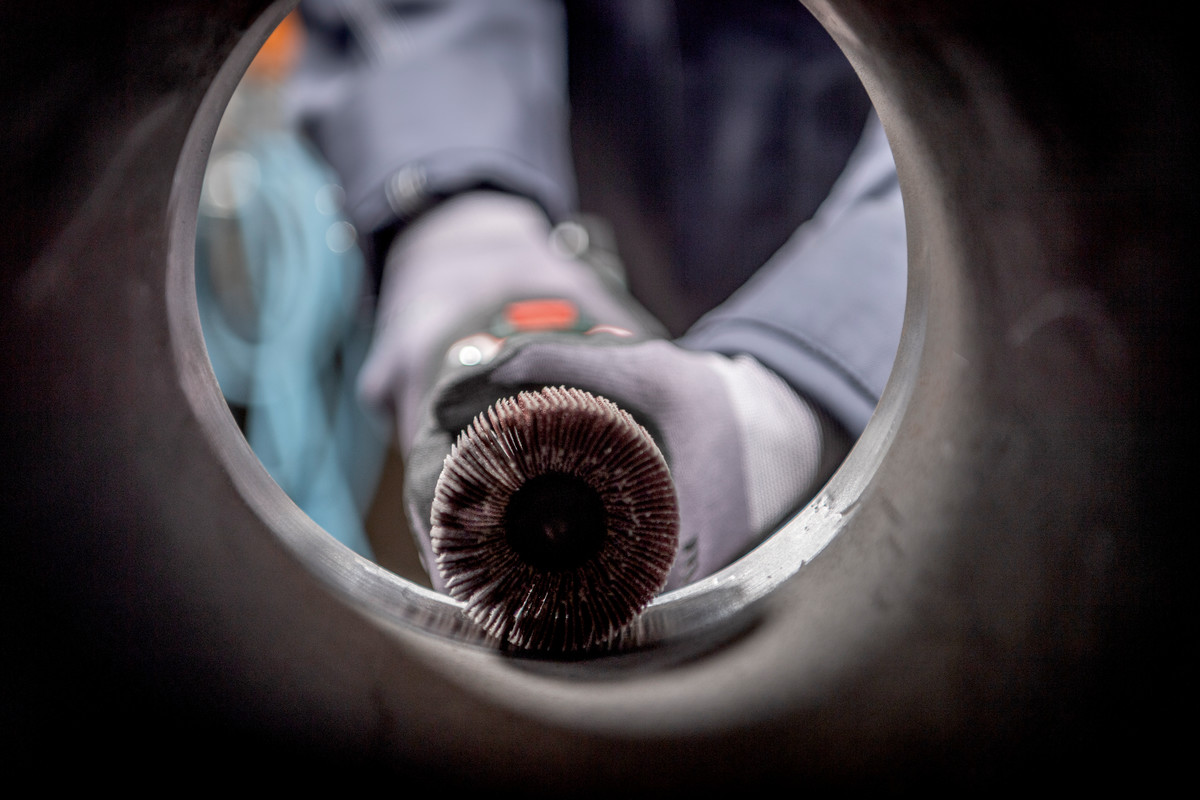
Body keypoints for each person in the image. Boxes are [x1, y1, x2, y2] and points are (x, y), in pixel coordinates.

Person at [285, 0, 907, 591]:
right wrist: (459, 204)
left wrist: (818, 370)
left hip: (895, 266)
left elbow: (967, 107)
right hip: (592, 184)